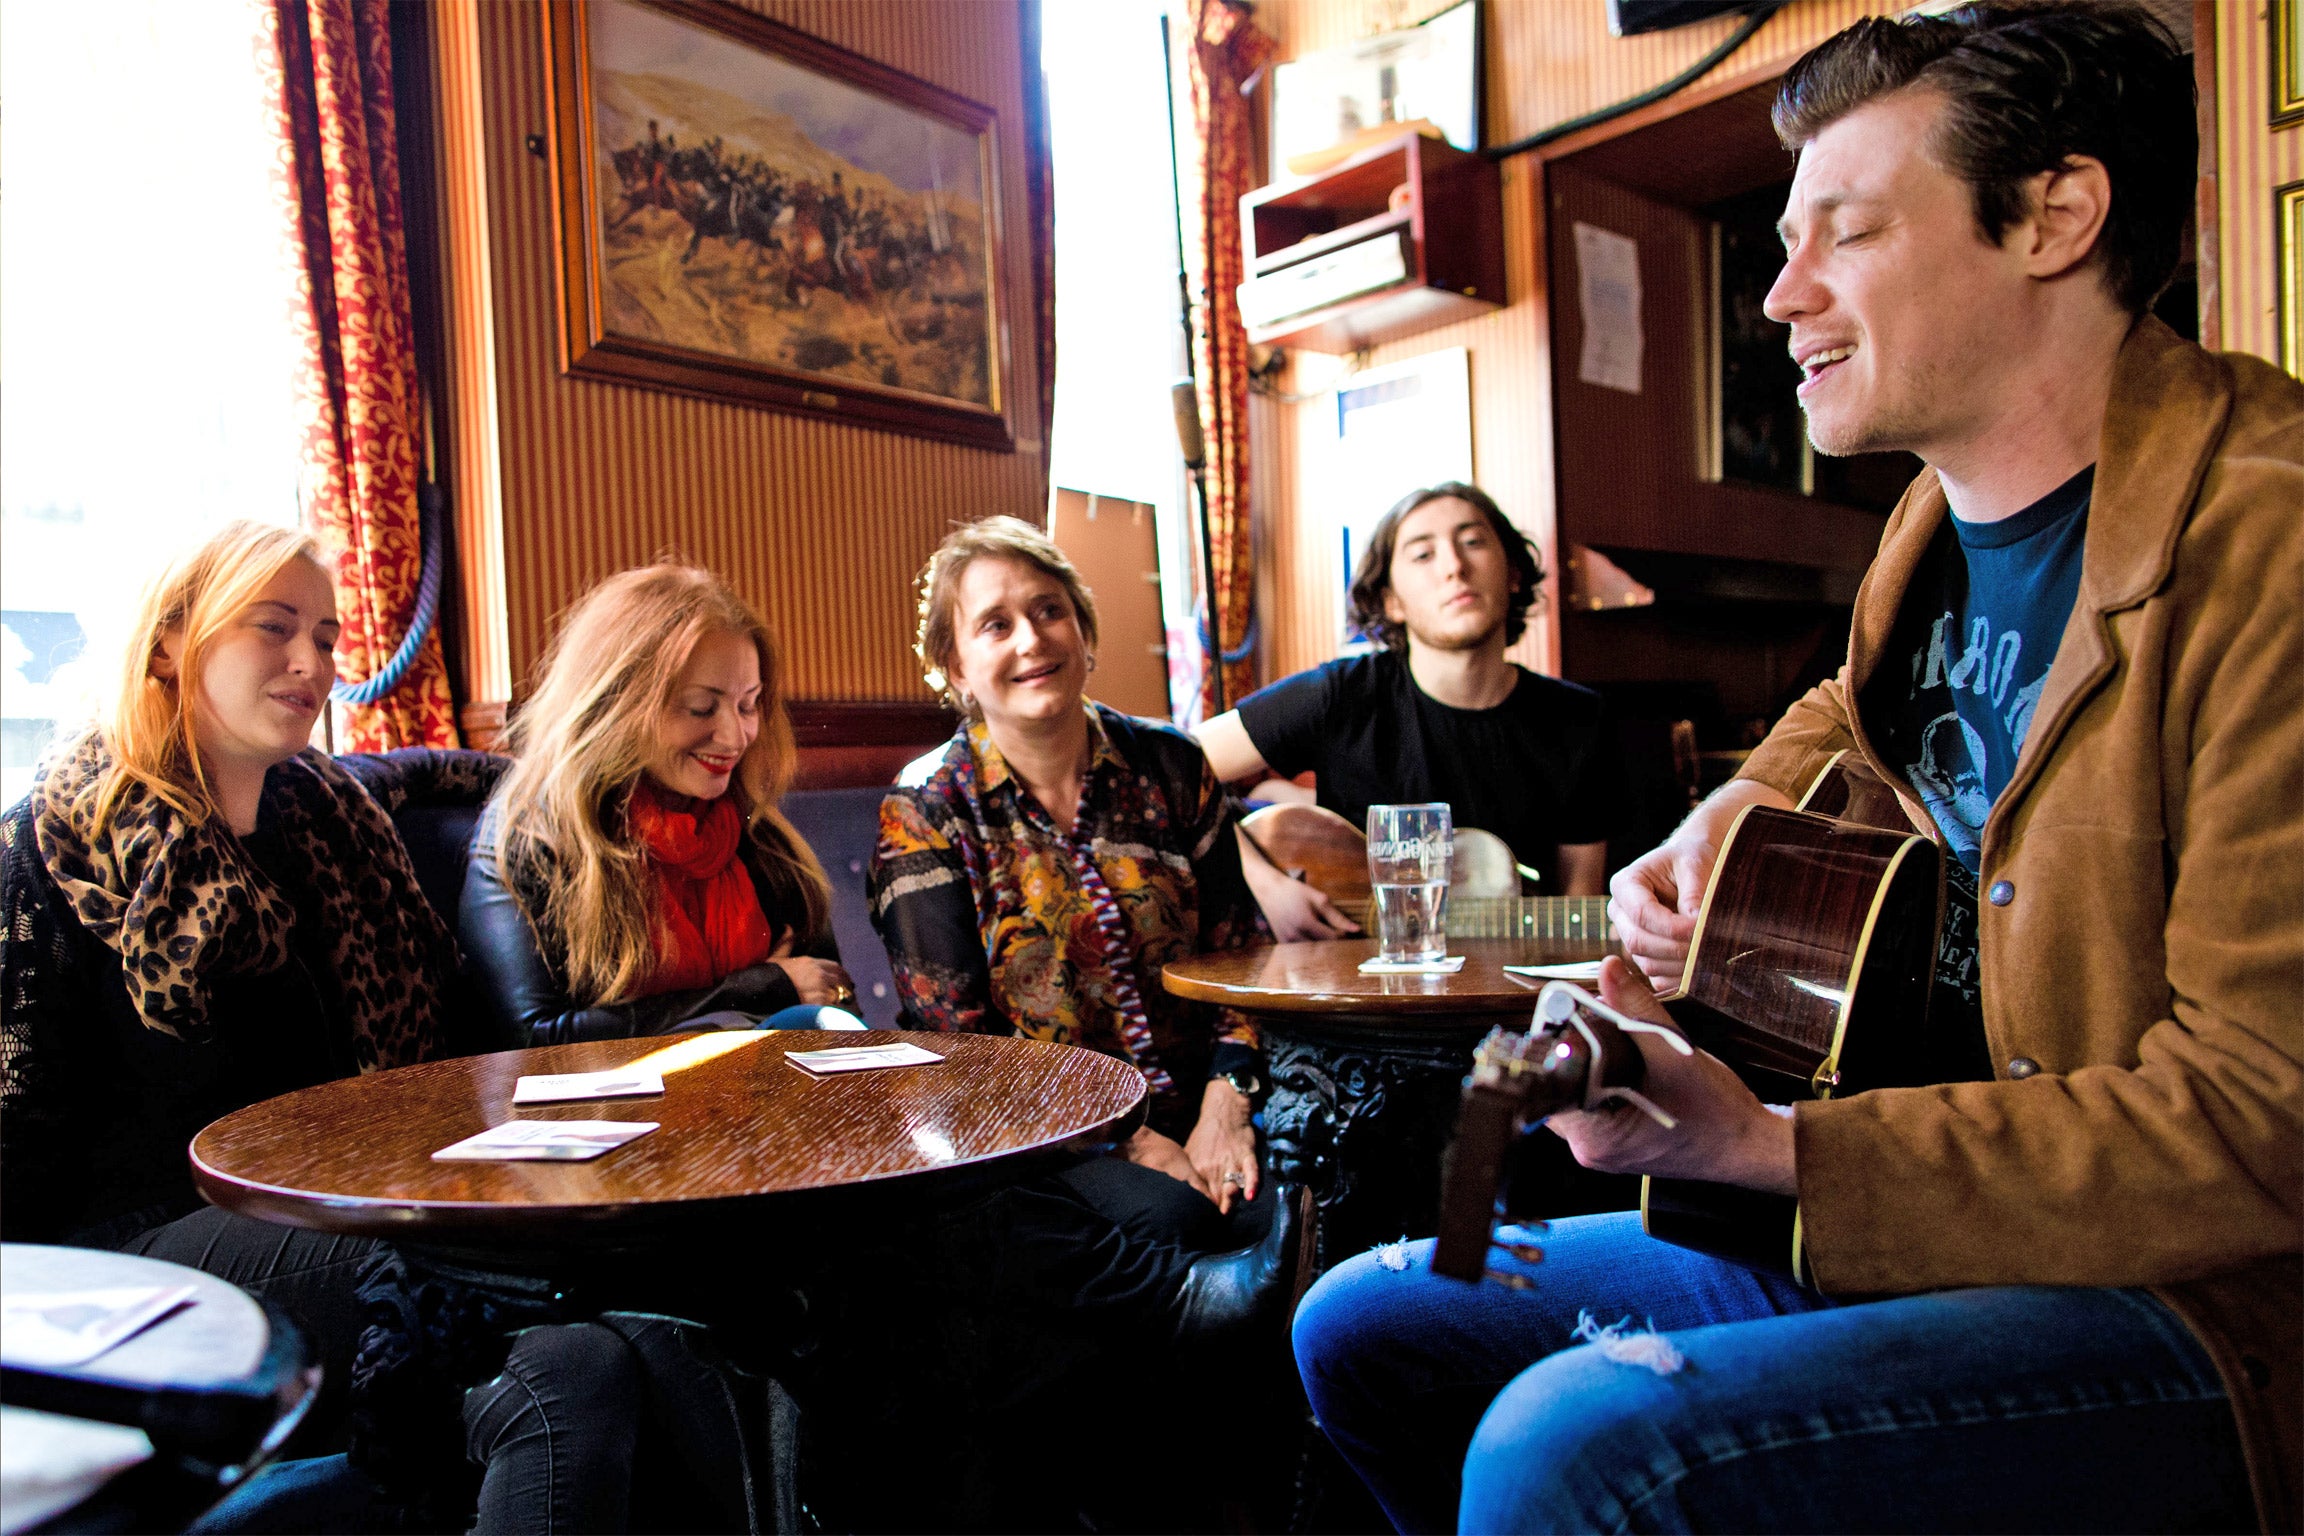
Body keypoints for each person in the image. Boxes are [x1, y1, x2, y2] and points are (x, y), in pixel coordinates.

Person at [1291, 7, 2299, 1534]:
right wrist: (1732, 808)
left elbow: (2258, 1122)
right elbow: (1847, 703)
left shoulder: (2268, 539)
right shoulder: (1934, 521)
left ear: (2054, 216)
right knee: (1368, 1320)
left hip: (2206, 1309)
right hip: (1934, 1200)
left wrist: (1761, 1144)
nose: (1780, 297)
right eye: (1784, 241)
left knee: (1569, 1451)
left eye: (1848, 233)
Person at [0, 523, 749, 1533]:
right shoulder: (53, 845)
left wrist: (541, 779)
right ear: (171, 641)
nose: (311, 664)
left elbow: (435, 773)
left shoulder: (329, 816)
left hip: (331, 1192)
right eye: (274, 629)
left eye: (326, 633)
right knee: (521, 1258)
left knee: (593, 1357)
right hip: (131, 1253)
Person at [862, 515, 1308, 1529]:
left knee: (1327, 1179)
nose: (1031, 640)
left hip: (1213, 1098)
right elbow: (957, 1041)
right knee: (1177, 1220)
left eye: (1049, 609)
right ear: (954, 667)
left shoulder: (1172, 769)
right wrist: (1135, 1136)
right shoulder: (927, 808)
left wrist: (1225, 1106)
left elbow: (1246, 960)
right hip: (1035, 1133)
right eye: (996, 625)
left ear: (1085, 626)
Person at [1195, 483, 1621, 940]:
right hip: (1347, 995)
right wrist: (1263, 883)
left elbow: (1582, 909)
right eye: (1423, 555)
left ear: (1514, 573)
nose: (1454, 567)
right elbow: (1169, 767)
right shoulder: (1338, 695)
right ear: (1391, 601)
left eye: (1473, 542)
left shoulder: (1577, 720)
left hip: (1504, 997)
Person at [461, 562, 857, 1045]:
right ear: (618, 705)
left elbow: (831, 999)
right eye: (700, 707)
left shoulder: (762, 839)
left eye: (748, 705)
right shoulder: (530, 838)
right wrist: (763, 987)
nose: (735, 737)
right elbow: (535, 1041)